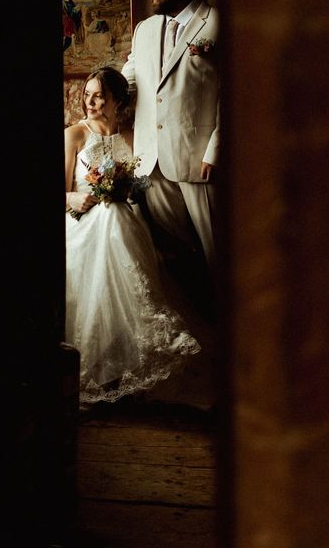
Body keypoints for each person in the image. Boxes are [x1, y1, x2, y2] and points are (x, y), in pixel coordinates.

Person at [64, 65, 201, 406]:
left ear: (118, 101)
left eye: (99, 96)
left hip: (124, 220)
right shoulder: (75, 135)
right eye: (87, 95)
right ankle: (96, 368)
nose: (90, 102)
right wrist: (75, 197)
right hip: (81, 219)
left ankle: (138, 356)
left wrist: (123, 191)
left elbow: (136, 187)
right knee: (109, 217)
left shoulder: (130, 137)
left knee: (117, 215)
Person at [121, 0, 220, 271]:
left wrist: (215, 151)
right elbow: (131, 79)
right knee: (176, 255)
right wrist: (102, 98)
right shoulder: (144, 30)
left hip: (199, 159)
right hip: (151, 161)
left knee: (216, 252)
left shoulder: (218, 23)